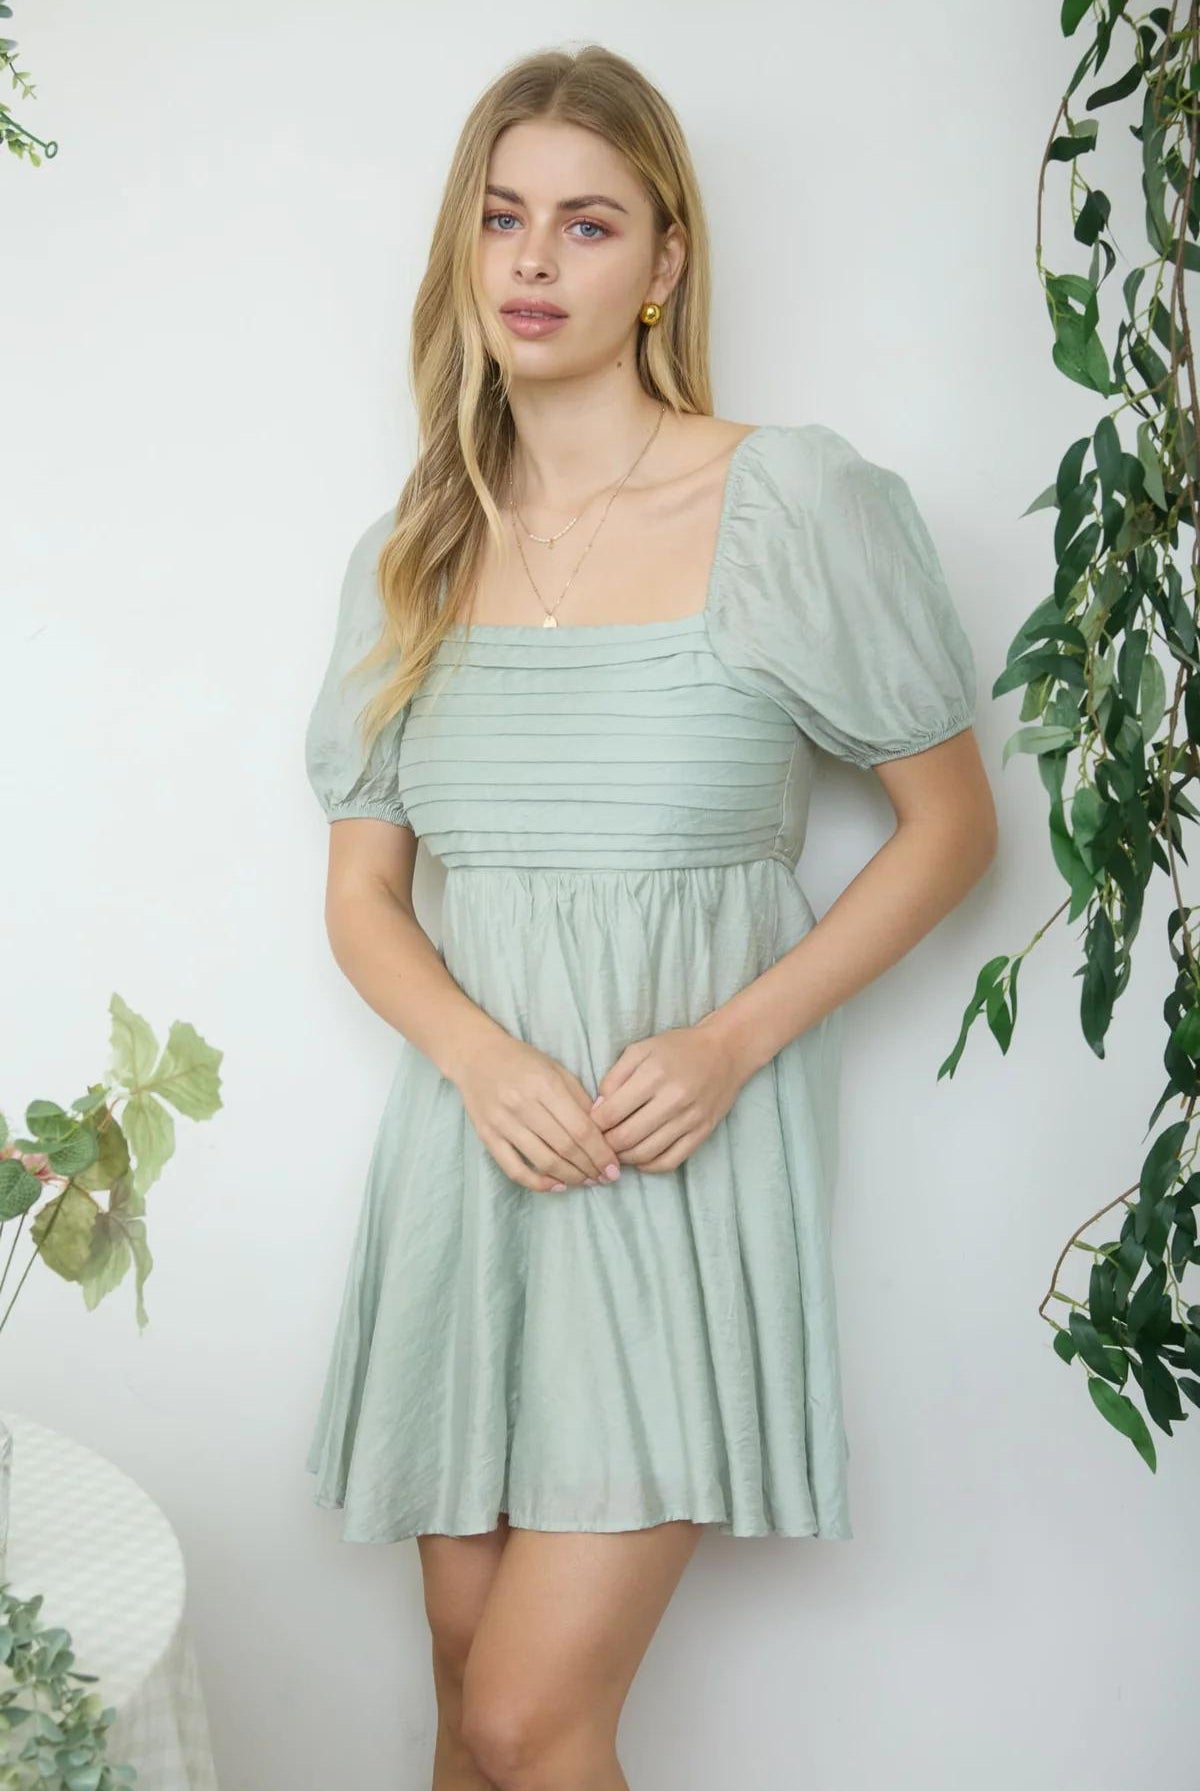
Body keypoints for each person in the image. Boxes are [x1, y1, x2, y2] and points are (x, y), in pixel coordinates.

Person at [303, 41, 997, 1791]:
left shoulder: (789, 500)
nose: (535, 261)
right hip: (476, 1159)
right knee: (466, 1693)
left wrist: (731, 1041)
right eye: (503, 218)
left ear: (665, 260)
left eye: (589, 223)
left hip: (668, 1167)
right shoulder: (415, 546)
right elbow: (364, 895)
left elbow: (951, 829)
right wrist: (477, 1060)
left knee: (531, 1720)